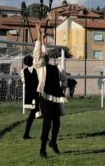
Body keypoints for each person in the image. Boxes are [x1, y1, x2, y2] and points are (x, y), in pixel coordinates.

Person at [33, 24, 67, 158]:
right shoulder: (39, 65)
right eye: (42, 54)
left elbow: (64, 78)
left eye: (44, 53)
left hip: (56, 97)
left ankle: (53, 142)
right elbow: (37, 52)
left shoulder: (54, 68)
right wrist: (38, 37)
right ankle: (42, 149)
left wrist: (42, 36)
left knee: (57, 123)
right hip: (45, 97)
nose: (43, 54)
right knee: (47, 123)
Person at [20, 55, 40, 139]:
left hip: (29, 95)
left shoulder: (23, 71)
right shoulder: (37, 69)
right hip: (37, 94)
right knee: (34, 114)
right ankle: (26, 134)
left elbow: (23, 80)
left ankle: (26, 134)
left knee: (33, 113)